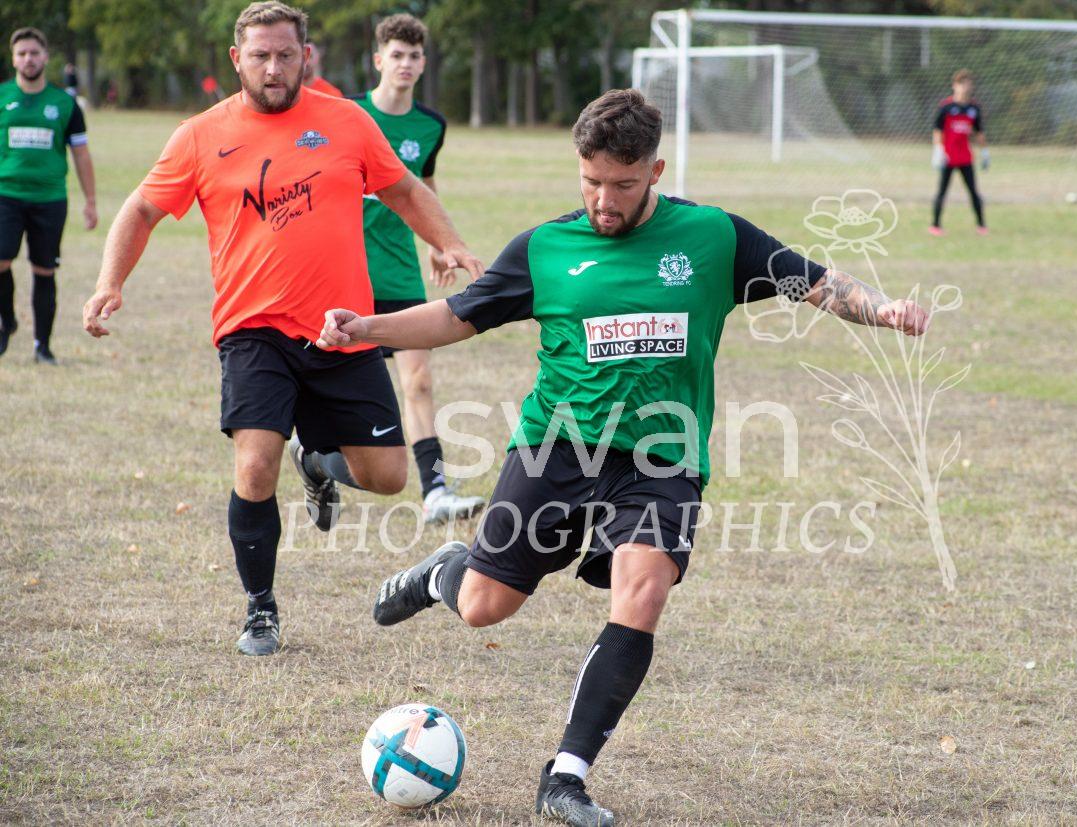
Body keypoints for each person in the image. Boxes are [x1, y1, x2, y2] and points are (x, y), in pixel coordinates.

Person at [318, 89, 929, 826]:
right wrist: (365, 329)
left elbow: (818, 282)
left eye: (622, 184)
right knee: (483, 607)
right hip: (557, 446)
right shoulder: (546, 248)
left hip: (663, 457)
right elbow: (455, 317)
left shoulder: (712, 237)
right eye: (591, 181)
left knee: (642, 592)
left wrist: (882, 309)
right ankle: (446, 570)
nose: (604, 200)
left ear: (655, 172)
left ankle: (565, 777)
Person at [81, 1, 484, 657]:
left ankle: (317, 460)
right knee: (255, 463)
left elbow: (405, 190)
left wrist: (451, 242)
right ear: (236, 59)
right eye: (260, 56)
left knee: (388, 476)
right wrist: (109, 282)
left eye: (286, 55)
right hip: (253, 330)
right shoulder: (199, 135)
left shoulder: (346, 121)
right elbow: (141, 210)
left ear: (306, 57)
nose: (273, 68)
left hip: (343, 329)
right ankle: (260, 608)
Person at [352, 13, 484, 525]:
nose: (405, 64)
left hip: (401, 269)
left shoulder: (431, 125)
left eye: (414, 56)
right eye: (396, 54)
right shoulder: (349, 115)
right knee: (335, 382)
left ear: (424, 63)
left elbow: (423, 186)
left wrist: (436, 243)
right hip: (345, 270)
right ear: (378, 59)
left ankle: (435, 492)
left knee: (419, 381)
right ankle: (315, 456)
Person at [0, 27, 97, 364]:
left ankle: (43, 346)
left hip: (50, 199)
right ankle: (7, 320)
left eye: (34, 53)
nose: (28, 59)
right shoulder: (2, 97)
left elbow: (81, 154)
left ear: (45, 57)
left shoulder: (64, 104)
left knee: (44, 270)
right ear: (14, 59)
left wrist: (90, 201)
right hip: (6, 194)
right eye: (22, 53)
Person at [930, 68, 987, 236]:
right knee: (942, 191)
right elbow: (938, 130)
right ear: (954, 86)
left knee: (973, 191)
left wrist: (985, 152)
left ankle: (981, 225)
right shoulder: (946, 107)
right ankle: (935, 225)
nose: (965, 88)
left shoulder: (974, 108)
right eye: (962, 84)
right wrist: (938, 150)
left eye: (968, 84)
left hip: (965, 157)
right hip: (948, 157)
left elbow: (979, 132)